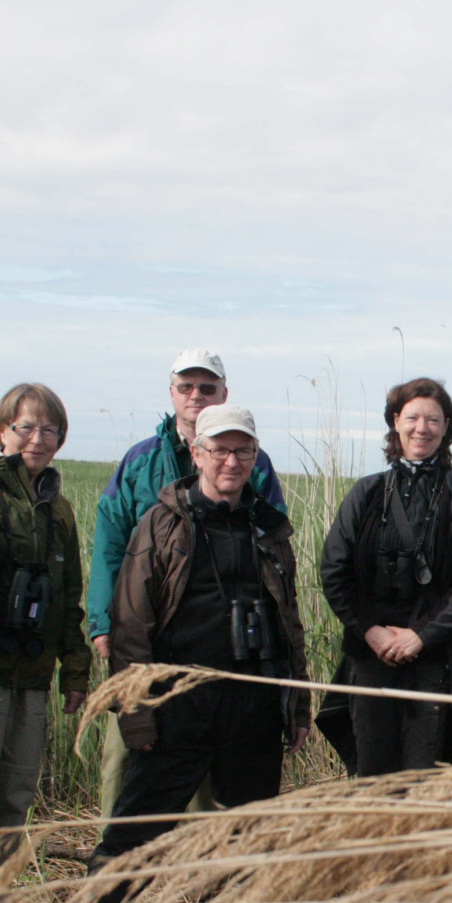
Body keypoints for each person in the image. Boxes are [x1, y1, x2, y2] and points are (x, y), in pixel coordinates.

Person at [94, 406, 309, 863]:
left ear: (255, 457)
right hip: (178, 707)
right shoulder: (162, 524)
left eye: (243, 451)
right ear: (196, 453)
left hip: (253, 704)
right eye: (219, 450)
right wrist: (136, 713)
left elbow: (289, 623)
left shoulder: (269, 529)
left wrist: (296, 704)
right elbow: (131, 625)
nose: (231, 462)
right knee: (135, 836)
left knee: (245, 841)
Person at [87, 350, 284, 817]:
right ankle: (125, 860)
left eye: (207, 387)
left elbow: (275, 551)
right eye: (186, 386)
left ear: (223, 392)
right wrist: (103, 623)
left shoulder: (256, 463)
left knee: (217, 773)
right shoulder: (140, 460)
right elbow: (109, 543)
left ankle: (200, 869)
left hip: (225, 650)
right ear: (171, 392)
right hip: (144, 635)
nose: (196, 395)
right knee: (132, 753)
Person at [319, 378, 452, 775]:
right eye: (412, 417)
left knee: (426, 770)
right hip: (369, 657)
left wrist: (422, 636)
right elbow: (333, 569)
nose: (422, 428)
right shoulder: (367, 493)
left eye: (434, 419)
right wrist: (369, 630)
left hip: (435, 658)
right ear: (395, 422)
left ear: (447, 427)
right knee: (372, 770)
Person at [0, 383, 89, 828]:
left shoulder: (60, 508)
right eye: (26, 427)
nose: (38, 439)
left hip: (32, 675)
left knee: (15, 795)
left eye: (50, 430)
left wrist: (74, 671)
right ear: (1, 431)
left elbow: (69, 599)